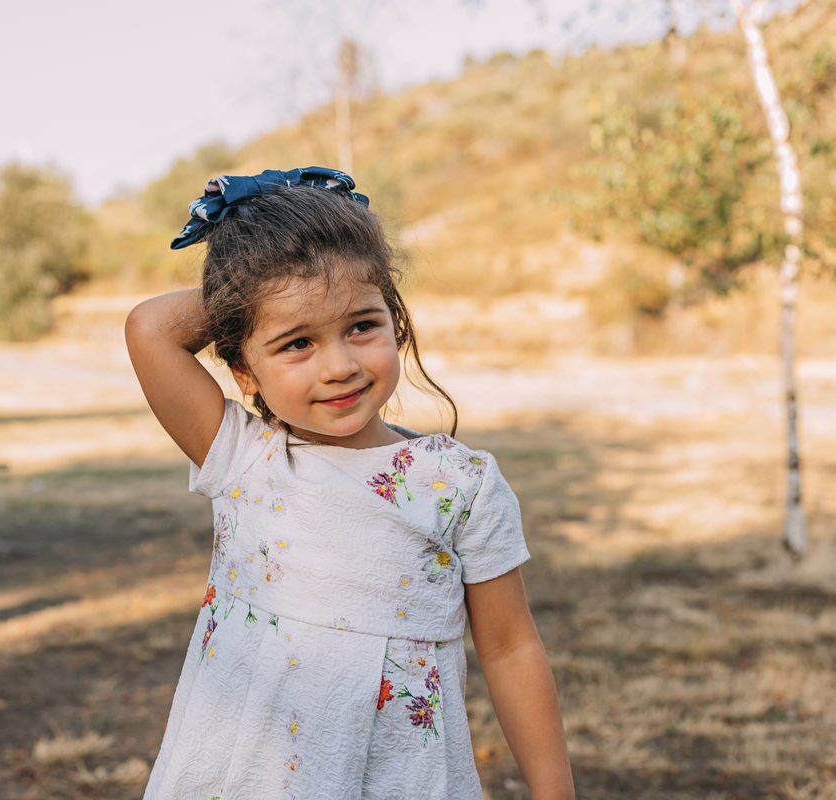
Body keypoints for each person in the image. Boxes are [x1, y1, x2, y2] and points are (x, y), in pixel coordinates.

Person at [125, 169, 575, 799]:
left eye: (362, 326)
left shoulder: (460, 484)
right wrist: (262, 274)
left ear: (394, 320)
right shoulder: (242, 458)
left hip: (400, 778)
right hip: (250, 776)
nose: (339, 366)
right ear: (243, 371)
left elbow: (510, 649)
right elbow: (151, 329)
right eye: (296, 342)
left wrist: (556, 794)